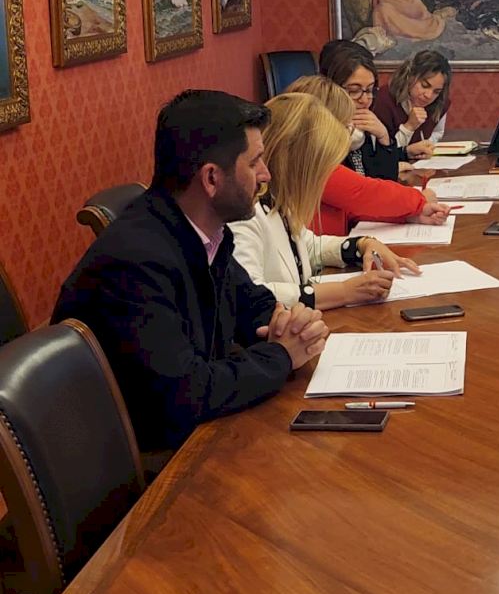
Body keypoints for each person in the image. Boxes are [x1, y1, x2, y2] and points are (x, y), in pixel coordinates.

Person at [52, 91, 329, 453]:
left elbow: (250, 303)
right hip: (155, 460)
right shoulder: (135, 264)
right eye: (255, 162)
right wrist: (282, 355)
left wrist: (288, 323)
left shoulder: (204, 231)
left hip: (198, 431)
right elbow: (186, 394)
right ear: (211, 178)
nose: (266, 175)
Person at [230, 92, 421, 310]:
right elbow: (249, 294)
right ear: (297, 164)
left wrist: (361, 245)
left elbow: (308, 247)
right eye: (322, 168)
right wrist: (343, 292)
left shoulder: (277, 198)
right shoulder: (243, 215)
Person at [285, 76, 450, 234]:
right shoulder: (313, 167)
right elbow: (364, 194)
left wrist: (409, 216)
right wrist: (419, 200)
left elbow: (351, 211)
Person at [319, 39, 403, 177]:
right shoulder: (317, 133)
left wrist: (384, 139)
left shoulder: (362, 123)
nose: (364, 100)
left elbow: (384, 180)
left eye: (369, 90)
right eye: (353, 91)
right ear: (329, 88)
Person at [374, 49, 452, 161]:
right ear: (409, 76)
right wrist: (409, 126)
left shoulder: (440, 102)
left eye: (436, 91)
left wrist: (428, 145)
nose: (429, 95)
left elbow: (437, 132)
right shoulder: (383, 99)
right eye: (424, 85)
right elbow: (381, 154)